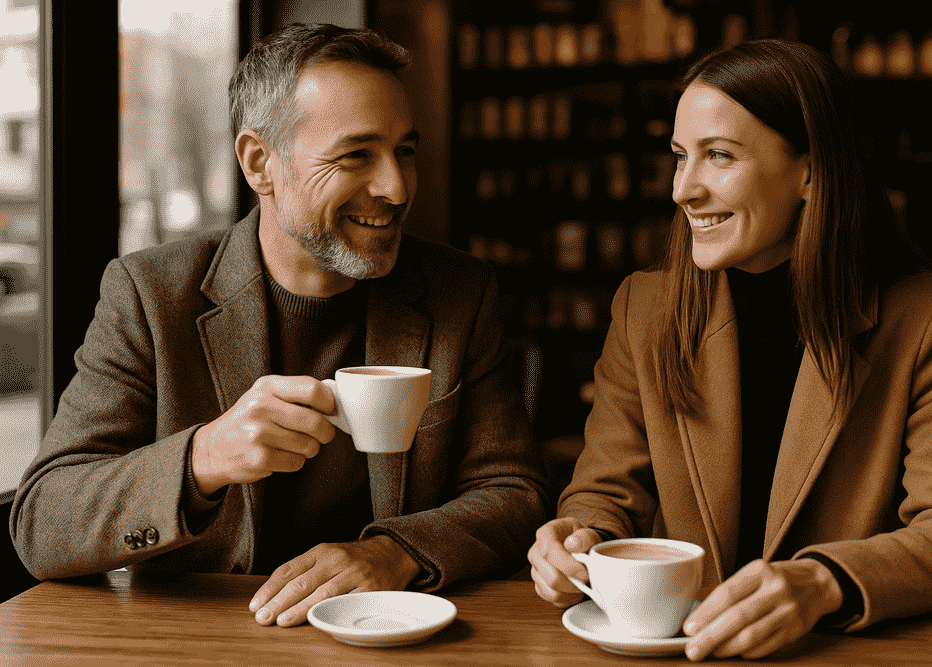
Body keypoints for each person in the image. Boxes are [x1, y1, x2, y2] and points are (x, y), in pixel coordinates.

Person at [11, 23, 549, 628]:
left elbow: (514, 494)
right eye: (356, 155)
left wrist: (394, 553)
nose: (396, 188)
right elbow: (41, 523)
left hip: (400, 637)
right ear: (260, 163)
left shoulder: (460, 293)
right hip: (206, 640)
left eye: (405, 152)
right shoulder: (152, 295)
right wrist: (202, 459)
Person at [528, 39, 932, 661]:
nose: (683, 191)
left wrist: (822, 582)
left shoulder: (930, 316)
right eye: (679, 158)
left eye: (718, 156)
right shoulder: (642, 308)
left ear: (811, 172)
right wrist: (580, 538)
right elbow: (607, 492)